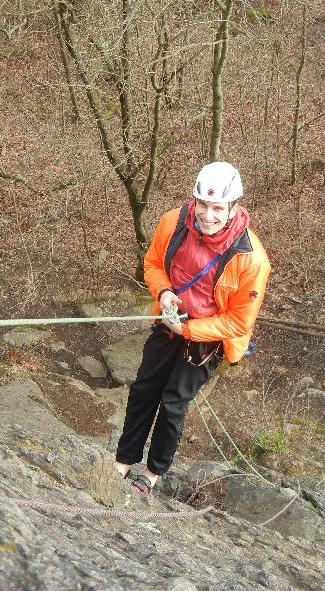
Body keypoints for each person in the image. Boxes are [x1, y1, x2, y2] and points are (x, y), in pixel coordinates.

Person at [115, 162, 271, 495]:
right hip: (169, 319)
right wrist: (164, 292)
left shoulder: (251, 259)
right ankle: (123, 460)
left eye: (217, 208)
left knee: (173, 403)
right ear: (194, 201)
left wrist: (190, 331)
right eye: (203, 204)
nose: (208, 215)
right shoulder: (173, 223)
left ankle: (154, 472)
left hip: (208, 339)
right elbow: (154, 264)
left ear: (233, 209)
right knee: (144, 389)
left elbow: (239, 322)